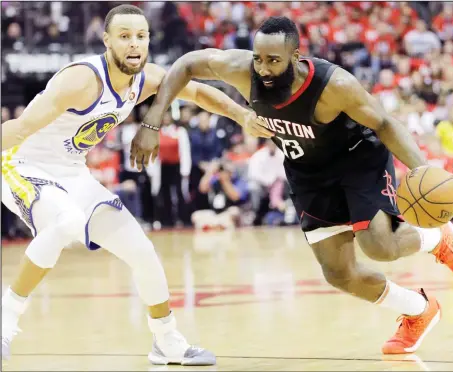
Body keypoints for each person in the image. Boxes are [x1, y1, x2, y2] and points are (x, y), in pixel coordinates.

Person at [132, 16, 453, 355]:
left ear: (295, 58)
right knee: (339, 273)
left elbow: (385, 123)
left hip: (358, 158)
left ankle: (439, 239)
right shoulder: (243, 71)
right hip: (307, 171)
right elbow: (188, 64)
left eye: (273, 60)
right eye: (258, 58)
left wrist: (424, 170)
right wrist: (152, 120)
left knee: (379, 246)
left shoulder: (334, 86)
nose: (264, 68)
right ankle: (419, 310)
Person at [1, 4, 272, 366]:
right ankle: (5, 323)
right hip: (23, 163)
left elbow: (200, 94)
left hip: (71, 170)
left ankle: (167, 342)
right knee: (64, 223)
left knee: (141, 249)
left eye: (141, 37)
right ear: (106, 41)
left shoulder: (145, 78)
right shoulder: (82, 80)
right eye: (125, 37)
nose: (134, 45)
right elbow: (19, 129)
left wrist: (242, 116)